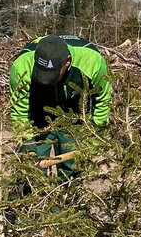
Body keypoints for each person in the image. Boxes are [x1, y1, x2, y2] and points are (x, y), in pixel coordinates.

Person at [8, 34, 112, 179]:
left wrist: (94, 139)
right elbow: (19, 113)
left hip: (73, 115)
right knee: (30, 174)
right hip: (37, 116)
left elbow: (103, 100)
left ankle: (69, 197)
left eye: (51, 76)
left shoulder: (92, 61)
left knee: (72, 171)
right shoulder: (21, 66)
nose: (47, 81)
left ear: (67, 62)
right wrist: (27, 146)